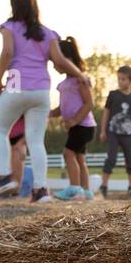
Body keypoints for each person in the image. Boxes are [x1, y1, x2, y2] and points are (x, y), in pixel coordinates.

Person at [0, 0, 86, 203]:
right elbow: (60, 61)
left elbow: (8, 52)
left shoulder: (9, 27)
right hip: (41, 91)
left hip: (16, 85)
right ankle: (40, 191)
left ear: (13, 3)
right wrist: (81, 74)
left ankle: (4, 178)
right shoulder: (47, 33)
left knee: (0, 129)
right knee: (36, 141)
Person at [49, 37, 96, 200]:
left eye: (55, 62)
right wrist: (50, 113)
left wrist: (74, 121)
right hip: (78, 126)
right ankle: (86, 191)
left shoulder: (80, 80)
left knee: (68, 154)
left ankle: (75, 189)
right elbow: (62, 108)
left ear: (66, 60)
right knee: (79, 158)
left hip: (83, 125)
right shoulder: (64, 84)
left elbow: (89, 104)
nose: (54, 66)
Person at [98, 65, 131, 198]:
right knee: (111, 158)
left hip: (128, 134)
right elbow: (106, 113)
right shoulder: (113, 95)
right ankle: (104, 186)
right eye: (119, 79)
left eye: (123, 79)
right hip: (113, 133)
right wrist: (102, 131)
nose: (120, 82)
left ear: (130, 81)